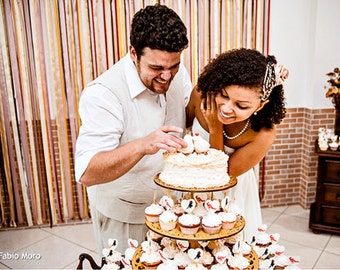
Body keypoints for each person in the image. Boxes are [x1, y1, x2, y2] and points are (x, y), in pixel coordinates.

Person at [75, 4, 192, 254]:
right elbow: (87, 173)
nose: (166, 76)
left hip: (172, 209)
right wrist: (142, 145)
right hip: (126, 217)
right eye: (156, 68)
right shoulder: (103, 94)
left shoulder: (175, 72)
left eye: (173, 66)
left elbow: (189, 113)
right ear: (133, 53)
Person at [186, 48, 288, 241]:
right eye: (223, 95)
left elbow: (221, 177)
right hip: (190, 184)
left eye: (241, 106)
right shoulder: (201, 95)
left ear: (260, 106)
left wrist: (216, 128)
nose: (226, 108)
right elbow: (180, 127)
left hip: (232, 193)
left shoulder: (263, 134)